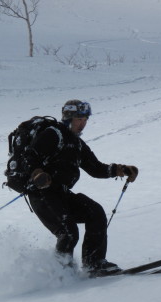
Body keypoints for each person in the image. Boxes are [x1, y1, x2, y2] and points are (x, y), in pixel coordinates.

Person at [25, 99, 138, 275]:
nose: (83, 124)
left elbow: (95, 168)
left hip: (61, 193)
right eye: (79, 119)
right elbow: (30, 157)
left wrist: (121, 170)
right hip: (42, 194)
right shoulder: (53, 134)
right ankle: (62, 274)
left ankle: (95, 264)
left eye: (85, 120)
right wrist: (38, 174)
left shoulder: (77, 144)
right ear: (68, 118)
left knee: (95, 213)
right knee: (68, 231)